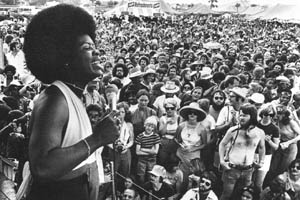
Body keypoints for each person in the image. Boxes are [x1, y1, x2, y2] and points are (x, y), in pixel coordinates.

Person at [23, 4, 119, 200]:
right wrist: (98, 138)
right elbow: (42, 167)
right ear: (66, 59)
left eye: (95, 46)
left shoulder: (73, 95)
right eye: (87, 48)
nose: (97, 53)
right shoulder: (55, 99)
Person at [219, 103, 265, 200]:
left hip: (248, 170)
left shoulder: (259, 132)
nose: (241, 117)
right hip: (232, 169)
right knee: (226, 194)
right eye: (240, 115)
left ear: (252, 116)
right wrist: (222, 161)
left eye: (245, 115)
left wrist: (261, 161)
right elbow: (222, 144)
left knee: (243, 196)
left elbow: (261, 147)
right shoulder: (233, 130)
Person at [175, 102, 208, 191]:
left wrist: (193, 148)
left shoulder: (202, 129)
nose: (192, 114)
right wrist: (182, 145)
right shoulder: (181, 126)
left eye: (195, 113)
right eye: (190, 112)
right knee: (181, 176)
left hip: (194, 156)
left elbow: (204, 144)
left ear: (198, 115)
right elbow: (176, 139)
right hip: (182, 153)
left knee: (192, 177)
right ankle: (179, 192)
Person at [264, 109, 300, 188]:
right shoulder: (277, 121)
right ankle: (269, 188)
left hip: (291, 147)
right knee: (272, 168)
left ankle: (281, 188)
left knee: (283, 169)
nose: (277, 116)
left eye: (280, 114)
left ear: (285, 115)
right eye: (277, 114)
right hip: (280, 145)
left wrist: (288, 142)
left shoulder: (291, 123)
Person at [135, 116, 160, 185]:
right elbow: (137, 152)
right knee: (141, 176)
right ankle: (141, 190)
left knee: (151, 176)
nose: (149, 128)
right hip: (142, 160)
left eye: (152, 127)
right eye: (148, 126)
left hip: (152, 160)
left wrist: (143, 149)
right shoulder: (140, 136)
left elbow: (155, 152)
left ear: (154, 128)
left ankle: (149, 191)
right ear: (145, 125)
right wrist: (150, 151)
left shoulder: (156, 136)